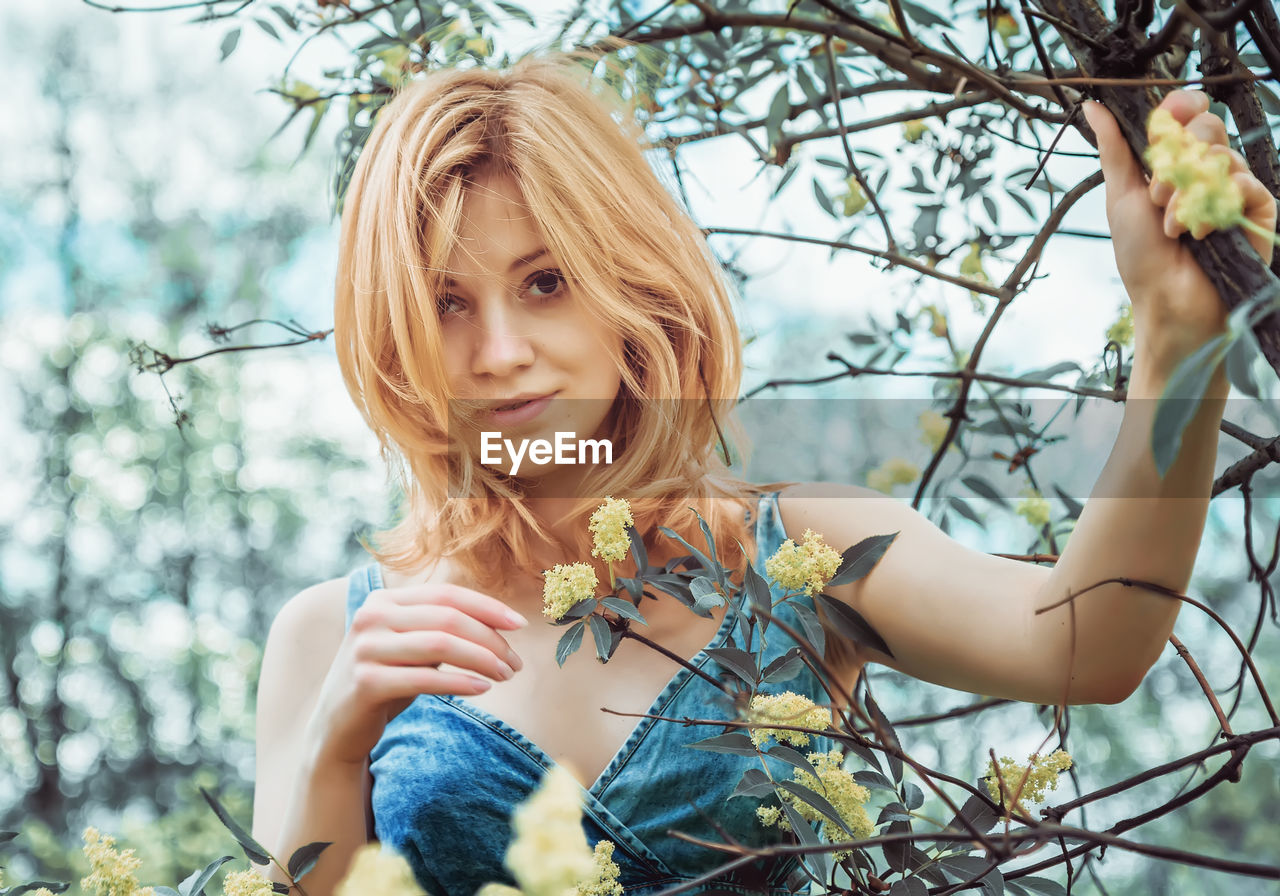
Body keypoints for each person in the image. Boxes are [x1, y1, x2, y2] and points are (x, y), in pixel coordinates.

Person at [250, 57, 1277, 896]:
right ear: (394, 337)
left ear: (628, 288)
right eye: (444, 301)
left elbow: (1085, 641)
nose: (500, 349)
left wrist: (1175, 344)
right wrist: (335, 748)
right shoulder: (326, 637)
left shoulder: (803, 551)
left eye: (545, 281)